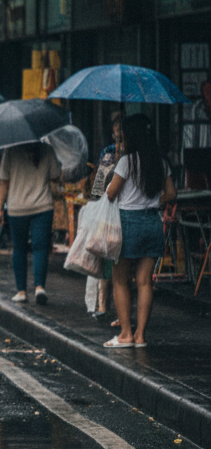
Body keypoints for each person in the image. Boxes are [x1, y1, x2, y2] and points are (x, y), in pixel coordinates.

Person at [103, 113, 176, 348]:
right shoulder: (160, 161)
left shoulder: (126, 161)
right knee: (145, 282)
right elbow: (172, 194)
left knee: (121, 280)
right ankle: (140, 336)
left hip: (127, 224)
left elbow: (112, 193)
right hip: (153, 223)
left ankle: (125, 334)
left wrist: (111, 176)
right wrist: (155, 201)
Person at [0, 142, 61, 304]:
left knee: (19, 248)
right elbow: (55, 175)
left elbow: (4, 182)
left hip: (17, 207)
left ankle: (21, 291)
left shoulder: (10, 150)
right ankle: (39, 287)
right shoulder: (47, 149)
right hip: (43, 206)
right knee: (40, 248)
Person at [88, 112, 123, 316]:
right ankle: (102, 306)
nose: (119, 142)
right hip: (107, 211)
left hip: (123, 211)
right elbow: (98, 185)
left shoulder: (132, 156)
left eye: (123, 137)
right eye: (117, 137)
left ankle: (119, 310)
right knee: (105, 258)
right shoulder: (108, 154)